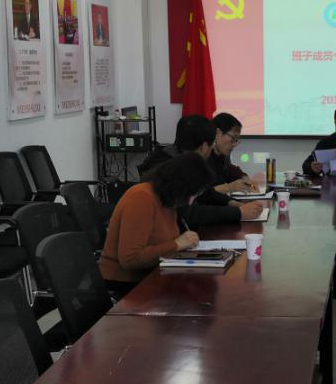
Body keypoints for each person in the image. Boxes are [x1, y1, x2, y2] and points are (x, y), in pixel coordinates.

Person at [98, 152, 211, 295]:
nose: (191, 201)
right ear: (182, 186)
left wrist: (181, 243)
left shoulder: (167, 200)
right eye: (193, 194)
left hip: (151, 274)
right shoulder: (142, 198)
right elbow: (130, 259)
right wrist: (176, 244)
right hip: (126, 283)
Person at [138, 114, 264, 226]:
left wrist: (232, 203)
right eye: (211, 144)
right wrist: (238, 212)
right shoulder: (173, 169)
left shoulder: (177, 158)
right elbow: (189, 213)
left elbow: (204, 193)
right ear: (204, 147)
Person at [210, 113, 259, 193]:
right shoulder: (202, 156)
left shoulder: (222, 156)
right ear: (218, 133)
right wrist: (228, 187)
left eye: (236, 140)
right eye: (233, 138)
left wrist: (244, 178)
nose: (235, 144)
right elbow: (199, 194)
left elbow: (232, 171)